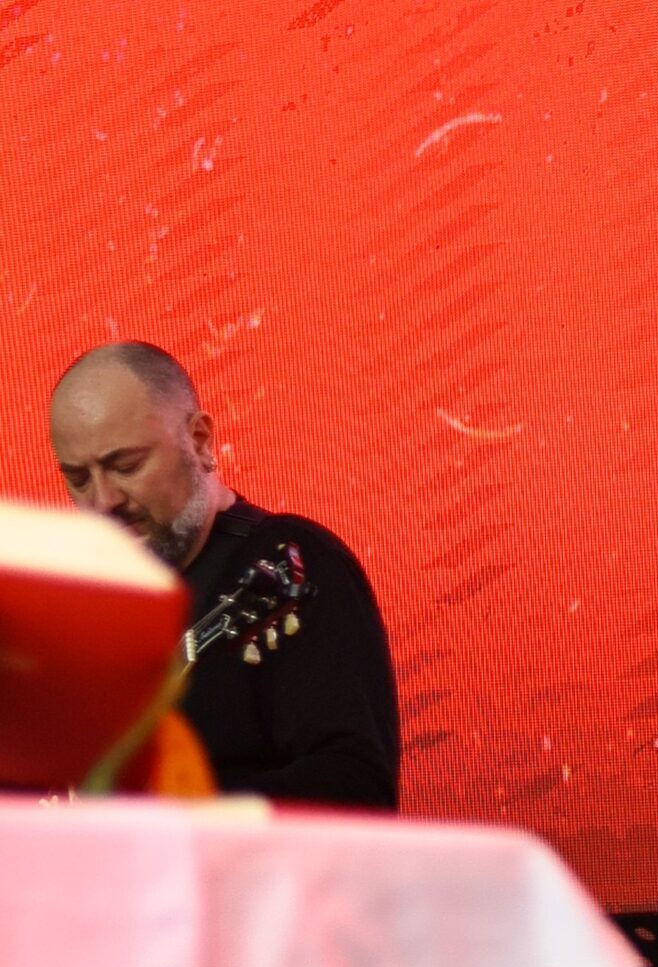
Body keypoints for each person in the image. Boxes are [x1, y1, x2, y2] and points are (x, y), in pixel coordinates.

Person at [48, 342, 400, 808]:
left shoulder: (289, 564)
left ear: (199, 441)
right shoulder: (84, 616)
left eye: (125, 467)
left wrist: (175, 812)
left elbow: (356, 788)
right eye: (78, 478)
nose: (103, 500)